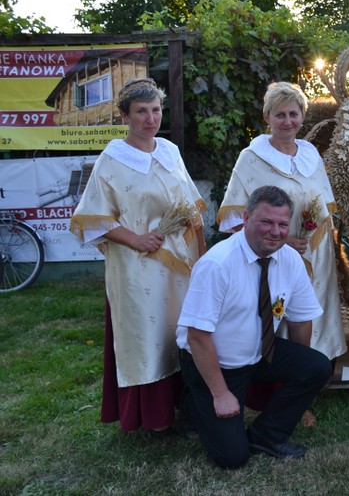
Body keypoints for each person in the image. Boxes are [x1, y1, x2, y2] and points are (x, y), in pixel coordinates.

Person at [69, 78, 206, 435]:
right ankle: (154, 417)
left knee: (181, 331)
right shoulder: (112, 159)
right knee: (149, 336)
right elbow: (91, 218)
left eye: (156, 110)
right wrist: (136, 239)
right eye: (141, 111)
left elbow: (192, 209)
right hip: (137, 266)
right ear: (124, 116)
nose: (150, 119)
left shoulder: (169, 151)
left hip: (180, 263)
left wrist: (203, 257)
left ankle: (190, 406)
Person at [177, 186, 332, 469]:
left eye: (282, 224)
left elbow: (300, 320)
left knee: (317, 366)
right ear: (246, 219)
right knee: (232, 458)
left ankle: (267, 435)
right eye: (266, 222)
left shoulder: (290, 260)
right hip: (215, 361)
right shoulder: (217, 264)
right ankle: (192, 401)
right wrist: (220, 394)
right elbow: (197, 337)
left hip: (259, 352)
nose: (275, 232)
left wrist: (297, 369)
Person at [217, 82, 345, 363]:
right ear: (267, 117)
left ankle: (316, 367)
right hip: (272, 254)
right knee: (281, 309)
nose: (288, 121)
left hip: (314, 253)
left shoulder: (310, 154)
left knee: (313, 310)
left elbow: (323, 207)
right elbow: (234, 218)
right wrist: (279, 241)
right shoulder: (251, 158)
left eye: (293, 114)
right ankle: (279, 370)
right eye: (280, 115)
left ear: (302, 116)